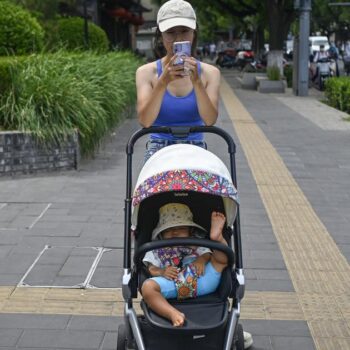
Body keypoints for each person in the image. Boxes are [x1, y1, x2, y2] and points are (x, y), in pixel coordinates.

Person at [135, 0, 220, 162]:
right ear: (160, 35)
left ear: (194, 33)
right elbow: (145, 121)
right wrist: (162, 82)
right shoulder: (146, 73)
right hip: (158, 150)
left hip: (195, 148)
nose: (178, 38)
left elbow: (209, 120)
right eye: (170, 32)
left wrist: (197, 82)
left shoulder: (210, 73)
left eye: (184, 31)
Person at [141, 203, 227, 327]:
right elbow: (151, 268)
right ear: (161, 233)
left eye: (181, 228)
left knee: (220, 260)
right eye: (169, 230)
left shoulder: (196, 242)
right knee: (148, 287)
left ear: (190, 230)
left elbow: (208, 253)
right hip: (172, 284)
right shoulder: (156, 249)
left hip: (201, 279)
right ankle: (172, 313)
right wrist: (162, 272)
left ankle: (217, 238)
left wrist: (201, 260)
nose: (175, 232)